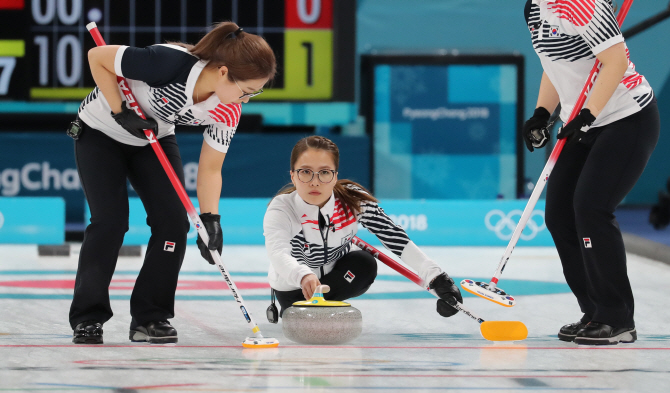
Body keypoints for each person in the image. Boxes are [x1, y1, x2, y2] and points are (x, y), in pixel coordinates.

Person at [69, 22, 276, 344]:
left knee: (173, 224)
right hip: (101, 132)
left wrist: (210, 220)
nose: (247, 100)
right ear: (223, 72)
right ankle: (88, 317)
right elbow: (98, 56)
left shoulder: (228, 110)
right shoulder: (170, 62)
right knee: (110, 222)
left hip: (153, 138)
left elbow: (210, 169)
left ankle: (150, 317)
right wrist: (120, 110)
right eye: (247, 90)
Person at [523, 0, 660, 345]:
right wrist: (542, 113)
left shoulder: (581, 4)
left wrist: (588, 113)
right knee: (559, 216)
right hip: (579, 122)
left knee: (591, 208)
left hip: (626, 117)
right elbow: (552, 65)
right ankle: (594, 311)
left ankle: (617, 318)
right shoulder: (534, 8)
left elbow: (614, 62)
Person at [263, 136, 463, 319]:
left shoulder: (352, 200)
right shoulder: (281, 208)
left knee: (364, 264)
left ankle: (319, 308)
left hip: (335, 279)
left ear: (334, 176)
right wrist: (303, 275)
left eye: (324, 172)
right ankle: (301, 309)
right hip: (293, 286)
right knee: (299, 289)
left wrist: (438, 278)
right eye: (306, 172)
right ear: (293, 176)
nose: (315, 181)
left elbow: (395, 237)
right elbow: (278, 253)